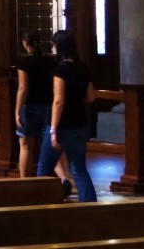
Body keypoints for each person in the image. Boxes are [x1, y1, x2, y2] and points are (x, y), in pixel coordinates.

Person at [37, 30, 97, 202]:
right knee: (79, 169)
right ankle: (91, 207)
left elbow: (58, 101)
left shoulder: (61, 69)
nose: (53, 48)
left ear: (59, 46)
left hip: (61, 125)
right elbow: (91, 97)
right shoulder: (83, 67)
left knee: (44, 169)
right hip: (80, 124)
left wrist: (53, 130)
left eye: (54, 44)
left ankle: (43, 207)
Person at [16, 29, 71, 194]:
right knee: (48, 147)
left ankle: (25, 185)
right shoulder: (50, 61)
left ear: (25, 43)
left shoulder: (24, 62)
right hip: (47, 106)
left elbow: (23, 88)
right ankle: (64, 179)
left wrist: (17, 110)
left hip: (29, 107)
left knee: (25, 146)